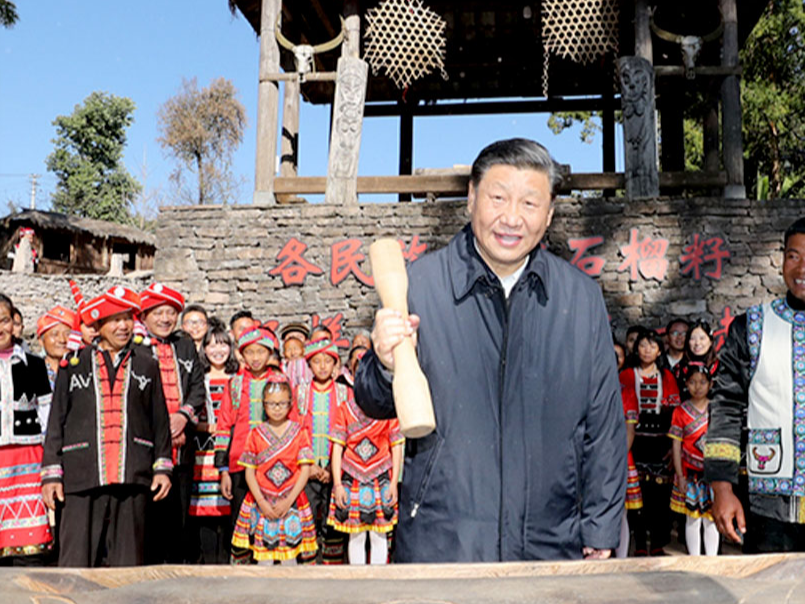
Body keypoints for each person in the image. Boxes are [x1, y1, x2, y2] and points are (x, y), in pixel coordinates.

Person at [355, 138, 626, 562]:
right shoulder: (420, 286)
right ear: (471, 198)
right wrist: (385, 365)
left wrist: (602, 527)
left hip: (552, 542)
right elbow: (372, 401)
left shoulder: (580, 299)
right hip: (443, 542)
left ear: (550, 214)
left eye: (530, 203)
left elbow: (604, 428)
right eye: (498, 198)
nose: (511, 218)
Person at [41, 286, 172, 567]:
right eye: (115, 319)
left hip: (132, 472)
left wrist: (162, 468)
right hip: (81, 474)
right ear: (98, 325)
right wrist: (52, 475)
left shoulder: (147, 365)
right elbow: (56, 421)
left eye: (127, 318)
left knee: (129, 561)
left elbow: (159, 420)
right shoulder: (72, 365)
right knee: (75, 560)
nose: (123, 326)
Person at [705, 218, 805, 552]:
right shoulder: (750, 327)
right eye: (794, 256)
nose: (802, 267)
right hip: (768, 512)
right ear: (782, 259)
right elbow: (726, 408)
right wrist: (722, 487)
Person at [139, 282, 206, 564]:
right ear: (144, 317)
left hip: (181, 445)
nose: (165, 318)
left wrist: (183, 415)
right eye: (158, 313)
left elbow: (197, 386)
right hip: (147, 448)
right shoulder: (135, 347)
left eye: (170, 312)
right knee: (149, 513)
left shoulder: (185, 344)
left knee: (179, 514)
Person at [232, 373, 317, 564]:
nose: (277, 409)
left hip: (292, 500)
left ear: (290, 404)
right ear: (264, 405)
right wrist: (261, 502)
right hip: (263, 502)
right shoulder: (255, 434)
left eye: (281, 403)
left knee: (290, 559)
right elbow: (249, 472)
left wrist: (288, 501)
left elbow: (304, 470)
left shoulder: (299, 432)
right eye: (271, 404)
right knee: (264, 559)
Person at [214, 326, 277, 563]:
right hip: (239, 463)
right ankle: (243, 572)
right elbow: (223, 426)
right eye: (250, 352)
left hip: (272, 464)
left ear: (269, 354)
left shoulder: (280, 381)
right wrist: (223, 470)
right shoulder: (235, 384)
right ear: (242, 355)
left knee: (270, 518)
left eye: (261, 352)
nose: (256, 357)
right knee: (241, 519)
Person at [0, 293, 53, 564]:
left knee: (28, 542)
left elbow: (46, 413)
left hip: (28, 459)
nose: (0, 328)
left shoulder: (34, 364)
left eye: (5, 320)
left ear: (14, 322)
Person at [620, 329, 680, 556]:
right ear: (636, 349)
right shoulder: (626, 375)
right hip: (635, 442)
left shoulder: (667, 377)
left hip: (661, 444)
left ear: (659, 350)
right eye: (642, 345)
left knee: (660, 497)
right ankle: (640, 545)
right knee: (637, 496)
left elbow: (674, 413)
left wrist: (672, 448)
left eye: (652, 346)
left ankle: (657, 543)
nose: (647, 350)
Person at [294, 337, 351, 564]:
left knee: (334, 520)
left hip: (336, 469)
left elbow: (350, 431)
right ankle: (307, 566)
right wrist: (311, 466)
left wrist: (331, 468)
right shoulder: (300, 392)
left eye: (328, 361)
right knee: (306, 518)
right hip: (308, 469)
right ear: (309, 365)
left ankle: (332, 565)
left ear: (336, 365)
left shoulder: (345, 393)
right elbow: (296, 430)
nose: (323, 366)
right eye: (317, 361)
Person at [327, 396, 403, 564]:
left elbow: (396, 446)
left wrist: (394, 482)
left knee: (379, 534)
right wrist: (338, 484)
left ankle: (377, 581)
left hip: (381, 477)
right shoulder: (345, 409)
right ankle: (357, 583)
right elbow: (337, 448)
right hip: (352, 476)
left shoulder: (387, 408)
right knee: (356, 534)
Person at [189, 318, 238, 563]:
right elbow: (188, 416)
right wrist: (210, 427)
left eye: (223, 345)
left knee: (230, 510)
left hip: (232, 451)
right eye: (212, 345)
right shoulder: (198, 380)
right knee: (205, 511)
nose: (218, 350)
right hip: (203, 452)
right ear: (204, 349)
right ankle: (208, 564)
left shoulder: (237, 378)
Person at [669, 363, 718, 556]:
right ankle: (695, 559)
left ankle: (711, 560)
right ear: (686, 384)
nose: (698, 386)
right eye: (692, 382)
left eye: (702, 382)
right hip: (690, 473)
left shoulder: (716, 410)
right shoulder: (680, 412)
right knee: (692, 518)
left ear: (710, 384)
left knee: (711, 518)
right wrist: (680, 475)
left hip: (712, 473)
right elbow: (676, 445)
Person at [673, 320, 719, 401]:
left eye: (702, 338)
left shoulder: (721, 368)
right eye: (692, 339)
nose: (697, 343)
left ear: (711, 341)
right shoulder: (679, 369)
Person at [36, 305, 75, 393]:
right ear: (41, 341)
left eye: (68, 334)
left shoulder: (80, 370)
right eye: (55, 334)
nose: (62, 340)